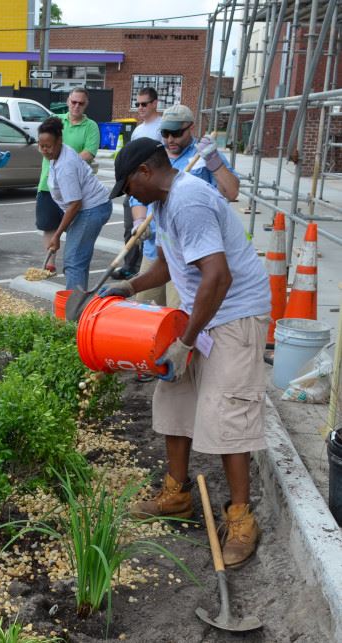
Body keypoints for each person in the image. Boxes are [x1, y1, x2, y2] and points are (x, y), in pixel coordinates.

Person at [104, 137, 270, 568]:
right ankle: (177, 495)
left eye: (128, 187)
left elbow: (218, 277)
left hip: (233, 316)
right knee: (174, 398)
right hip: (200, 314)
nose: (129, 197)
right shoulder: (163, 204)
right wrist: (131, 286)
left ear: (145, 172)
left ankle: (240, 517)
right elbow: (172, 264)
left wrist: (187, 341)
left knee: (229, 412)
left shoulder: (189, 201)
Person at [134, 104, 240, 307]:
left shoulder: (202, 156)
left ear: (190, 128)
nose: (170, 139)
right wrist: (140, 220)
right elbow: (135, 196)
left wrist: (214, 161)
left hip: (188, 255)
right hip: (155, 251)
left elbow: (232, 192)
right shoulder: (154, 155)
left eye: (176, 133)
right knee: (143, 312)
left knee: (177, 315)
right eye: (165, 133)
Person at [37, 117, 112, 291]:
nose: (45, 150)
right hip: (88, 208)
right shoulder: (59, 154)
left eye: (48, 146)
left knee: (73, 260)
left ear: (59, 141)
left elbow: (75, 204)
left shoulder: (66, 166)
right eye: (41, 146)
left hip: (91, 208)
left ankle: (73, 309)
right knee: (78, 258)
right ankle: (79, 305)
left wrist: (57, 235)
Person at [35, 86, 100, 273]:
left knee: (73, 225)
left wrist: (67, 165)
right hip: (48, 184)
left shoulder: (91, 127)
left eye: (81, 103)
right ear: (67, 101)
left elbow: (90, 152)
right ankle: (50, 262)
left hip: (74, 186)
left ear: (86, 104)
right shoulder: (54, 122)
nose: (76, 106)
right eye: (73, 102)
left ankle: (71, 262)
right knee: (48, 224)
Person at [114, 86, 161, 281]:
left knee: (152, 230)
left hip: (153, 186)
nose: (140, 108)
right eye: (138, 104)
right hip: (135, 185)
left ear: (155, 104)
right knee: (131, 226)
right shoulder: (139, 130)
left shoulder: (162, 127)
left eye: (144, 104)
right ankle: (130, 265)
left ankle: (149, 265)